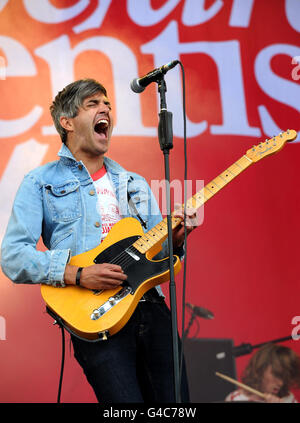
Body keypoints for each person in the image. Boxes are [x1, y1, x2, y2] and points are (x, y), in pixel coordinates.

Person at [1, 78, 197, 403]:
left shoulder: (134, 182)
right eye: (93, 104)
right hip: (98, 319)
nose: (105, 108)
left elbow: (159, 253)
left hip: (152, 309)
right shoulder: (39, 182)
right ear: (67, 122)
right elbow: (12, 256)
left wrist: (175, 241)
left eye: (106, 103)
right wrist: (77, 274)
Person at [225, 343, 300, 403]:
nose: (281, 383)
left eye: (284, 377)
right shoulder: (236, 399)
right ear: (261, 369)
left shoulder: (288, 398)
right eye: (276, 375)